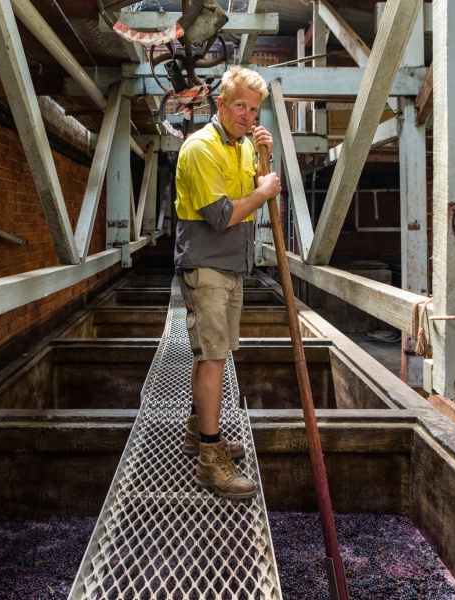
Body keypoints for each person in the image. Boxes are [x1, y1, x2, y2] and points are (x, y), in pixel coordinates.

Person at [174, 67, 281, 499]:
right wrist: (265, 191)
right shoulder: (201, 148)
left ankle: (198, 433)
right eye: (240, 105)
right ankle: (210, 460)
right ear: (220, 103)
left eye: (254, 110)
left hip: (231, 266)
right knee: (214, 357)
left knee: (213, 355)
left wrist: (262, 159)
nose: (248, 115)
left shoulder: (239, 146)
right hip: (207, 266)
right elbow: (221, 215)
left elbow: (253, 186)